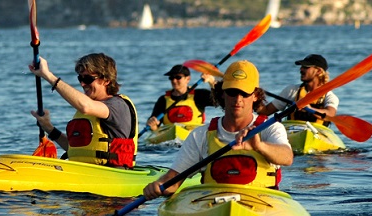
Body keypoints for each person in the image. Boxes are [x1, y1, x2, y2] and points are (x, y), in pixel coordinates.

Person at [143, 60, 293, 200]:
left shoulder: (270, 128)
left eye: (245, 93)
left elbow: (287, 157)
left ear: (255, 96)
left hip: (262, 204)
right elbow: (173, 181)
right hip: (213, 205)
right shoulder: (200, 135)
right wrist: (158, 186)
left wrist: (259, 147)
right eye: (232, 92)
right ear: (222, 93)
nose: (238, 99)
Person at [29, 53, 138, 169]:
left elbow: (85, 106)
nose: (82, 84)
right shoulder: (87, 110)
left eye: (87, 79)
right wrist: (49, 128)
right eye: (80, 78)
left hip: (113, 175)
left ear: (106, 80)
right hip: (85, 172)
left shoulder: (117, 105)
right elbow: (77, 150)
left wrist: (47, 75)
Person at [258, 54, 339, 126]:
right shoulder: (292, 90)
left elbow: (331, 114)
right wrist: (255, 98)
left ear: (318, 71)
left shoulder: (329, 96)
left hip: (318, 134)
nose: (301, 69)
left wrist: (310, 109)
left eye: (306, 67)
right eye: (301, 66)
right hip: (293, 131)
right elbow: (265, 111)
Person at [146, 64, 216, 131]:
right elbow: (155, 128)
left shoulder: (199, 95)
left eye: (178, 77)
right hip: (170, 139)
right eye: (171, 78)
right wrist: (152, 125)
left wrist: (212, 82)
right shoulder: (163, 100)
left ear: (188, 79)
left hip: (195, 135)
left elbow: (220, 101)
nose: (174, 81)